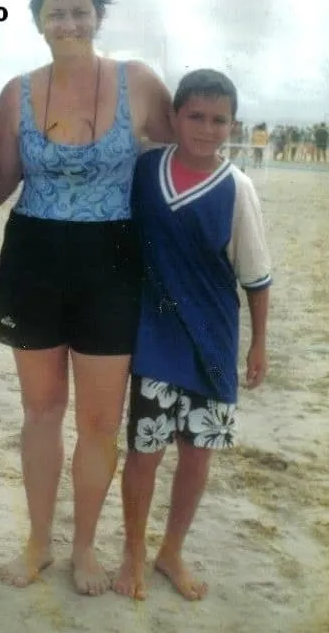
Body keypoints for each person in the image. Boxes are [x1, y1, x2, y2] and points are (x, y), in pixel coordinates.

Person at [0, 0, 174, 595]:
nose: (69, 22)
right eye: (56, 12)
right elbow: (2, 182)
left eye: (80, 11)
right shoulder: (17, 92)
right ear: (39, 19)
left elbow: (179, 166)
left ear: (97, 16)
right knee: (40, 411)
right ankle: (38, 542)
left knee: (97, 421)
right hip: (33, 257)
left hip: (111, 261)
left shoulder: (139, 83)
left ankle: (85, 547)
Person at [113, 69, 271, 602]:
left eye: (218, 119)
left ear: (232, 124)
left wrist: (259, 342)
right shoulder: (143, 169)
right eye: (196, 116)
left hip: (214, 340)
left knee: (198, 454)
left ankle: (170, 550)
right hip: (154, 337)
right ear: (175, 117)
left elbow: (255, 275)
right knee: (145, 450)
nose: (206, 128)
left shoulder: (237, 188)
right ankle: (133, 550)